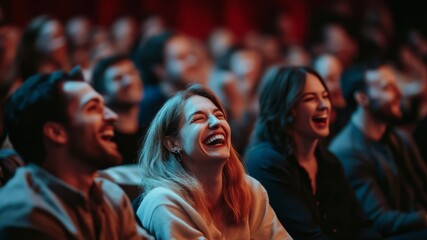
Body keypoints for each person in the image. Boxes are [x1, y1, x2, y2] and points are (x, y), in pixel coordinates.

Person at [0, 68, 151, 239]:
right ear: (56, 132)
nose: (112, 116)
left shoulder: (111, 196)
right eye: (93, 108)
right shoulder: (24, 213)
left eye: (105, 107)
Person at [135, 84, 290, 239]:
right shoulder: (163, 202)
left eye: (220, 116)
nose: (216, 122)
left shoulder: (250, 190)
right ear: (173, 144)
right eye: (198, 118)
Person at [245, 66, 380, 240]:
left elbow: (361, 225)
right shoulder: (265, 162)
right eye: (310, 99)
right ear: (285, 107)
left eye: (325, 96)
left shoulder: (328, 161)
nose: (324, 105)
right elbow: (307, 236)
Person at [329, 63, 427, 238]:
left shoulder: (399, 136)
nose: (399, 93)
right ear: (362, 98)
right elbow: (380, 220)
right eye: (387, 88)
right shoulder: (347, 151)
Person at [92, 55, 144, 165]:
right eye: (118, 78)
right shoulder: (103, 141)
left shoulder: (152, 134)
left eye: (132, 73)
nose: (129, 81)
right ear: (102, 94)